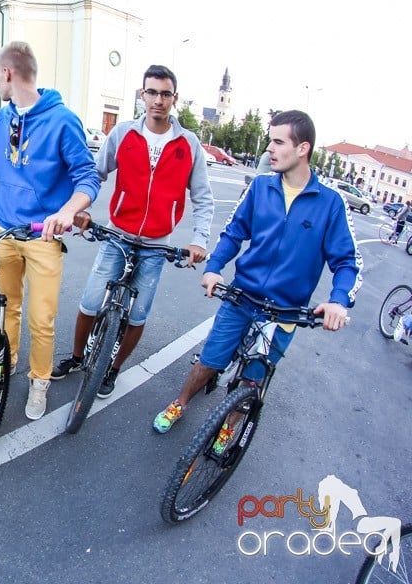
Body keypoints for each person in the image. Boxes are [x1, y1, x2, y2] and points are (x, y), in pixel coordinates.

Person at [152, 110, 361, 439]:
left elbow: (347, 262)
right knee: (209, 361)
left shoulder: (330, 203)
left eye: (278, 142)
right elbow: (234, 233)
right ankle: (180, 402)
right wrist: (213, 268)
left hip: (285, 312)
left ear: (302, 148)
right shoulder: (261, 187)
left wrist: (338, 301)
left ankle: (228, 429)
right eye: (269, 141)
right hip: (242, 297)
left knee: (252, 379)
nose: (269, 149)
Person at [53, 65, 214, 397]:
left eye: (165, 93)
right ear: (142, 95)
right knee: (90, 302)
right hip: (118, 234)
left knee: (138, 315)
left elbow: (203, 197)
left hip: (157, 244)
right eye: (151, 92)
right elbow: (94, 174)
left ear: (175, 98)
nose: (158, 100)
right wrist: (78, 209)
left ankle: (112, 369)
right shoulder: (124, 133)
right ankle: (77, 356)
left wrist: (198, 240)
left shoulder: (189, 144)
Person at [0, 41, 100, 420]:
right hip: (4, 229)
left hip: (43, 236)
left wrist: (67, 211)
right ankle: (7, 361)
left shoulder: (63, 119)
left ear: (7, 73)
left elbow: (87, 177)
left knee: (42, 317)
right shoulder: (2, 119)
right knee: (5, 308)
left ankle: (40, 381)